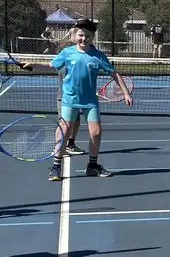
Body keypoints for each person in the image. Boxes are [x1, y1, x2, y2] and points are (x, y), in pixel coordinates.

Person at [25, 19, 133, 180]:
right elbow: (50, 65)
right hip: (69, 100)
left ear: (92, 37)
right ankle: (56, 167)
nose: (84, 39)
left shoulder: (98, 56)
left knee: (96, 133)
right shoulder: (67, 53)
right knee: (64, 133)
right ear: (75, 35)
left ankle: (92, 166)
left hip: (90, 101)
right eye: (81, 35)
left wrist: (126, 93)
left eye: (88, 36)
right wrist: (33, 65)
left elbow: (114, 74)